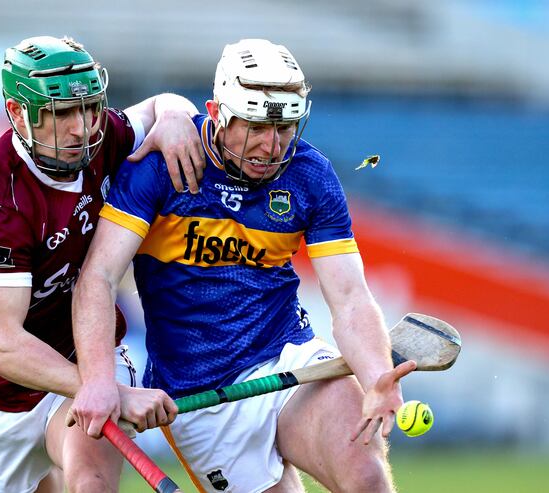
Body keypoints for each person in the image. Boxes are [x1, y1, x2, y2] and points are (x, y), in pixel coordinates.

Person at [70, 39, 417, 492]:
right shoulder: (158, 168)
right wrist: (99, 381)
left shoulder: (310, 175)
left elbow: (350, 298)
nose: (271, 147)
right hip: (199, 396)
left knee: (366, 478)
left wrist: (376, 378)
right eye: (256, 128)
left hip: (288, 360)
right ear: (217, 113)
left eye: (284, 128)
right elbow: (97, 278)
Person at [0, 35, 201, 493]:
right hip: (0, 392)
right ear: (18, 112)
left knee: (91, 482)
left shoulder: (104, 138)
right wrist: (110, 391)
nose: (81, 129)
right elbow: (3, 344)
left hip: (88, 357)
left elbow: (160, 104)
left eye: (89, 108)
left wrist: (175, 116)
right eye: (62, 113)